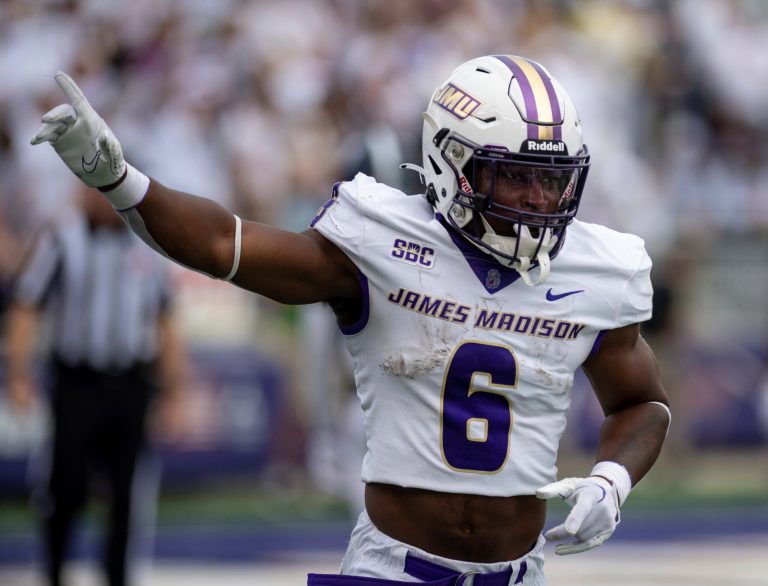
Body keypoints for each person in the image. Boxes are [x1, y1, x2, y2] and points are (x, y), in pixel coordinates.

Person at [31, 55, 671, 585]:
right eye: (515, 177)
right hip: (393, 569)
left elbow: (642, 402)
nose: (539, 200)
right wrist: (118, 179)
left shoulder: (596, 270)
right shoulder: (381, 241)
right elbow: (223, 246)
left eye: (551, 179)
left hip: (519, 574)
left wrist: (612, 480)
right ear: (455, 166)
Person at [5, 185, 185, 586]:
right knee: (65, 488)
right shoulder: (61, 238)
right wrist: (18, 373)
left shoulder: (147, 243)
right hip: (77, 382)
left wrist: (174, 389)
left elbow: (165, 317)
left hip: (131, 382)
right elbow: (26, 304)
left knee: (126, 495)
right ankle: (53, 572)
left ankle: (117, 577)